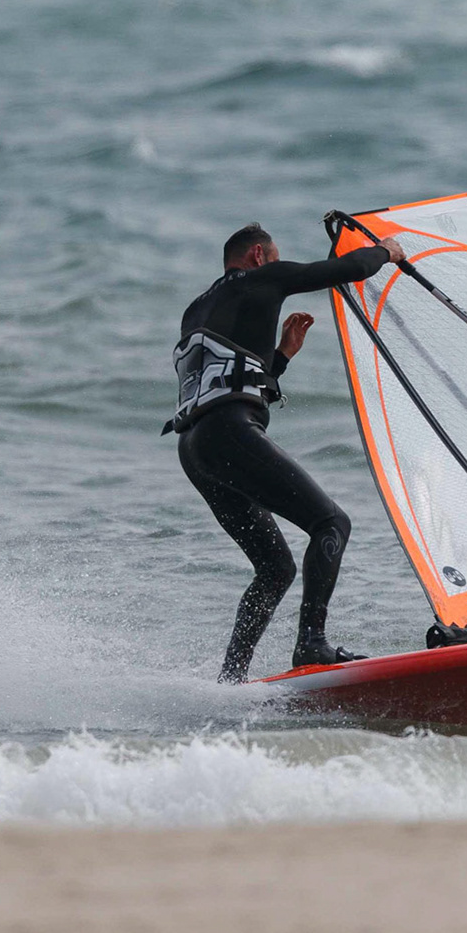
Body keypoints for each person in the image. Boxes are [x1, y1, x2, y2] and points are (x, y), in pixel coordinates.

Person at [168, 222, 404, 682]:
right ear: (258, 256)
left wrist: (281, 356)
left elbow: (226, 381)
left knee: (275, 568)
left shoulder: (196, 309)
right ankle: (311, 642)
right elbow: (350, 268)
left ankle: (231, 679)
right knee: (331, 523)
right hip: (229, 432)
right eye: (274, 258)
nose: (276, 266)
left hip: (195, 449)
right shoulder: (263, 277)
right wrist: (386, 251)